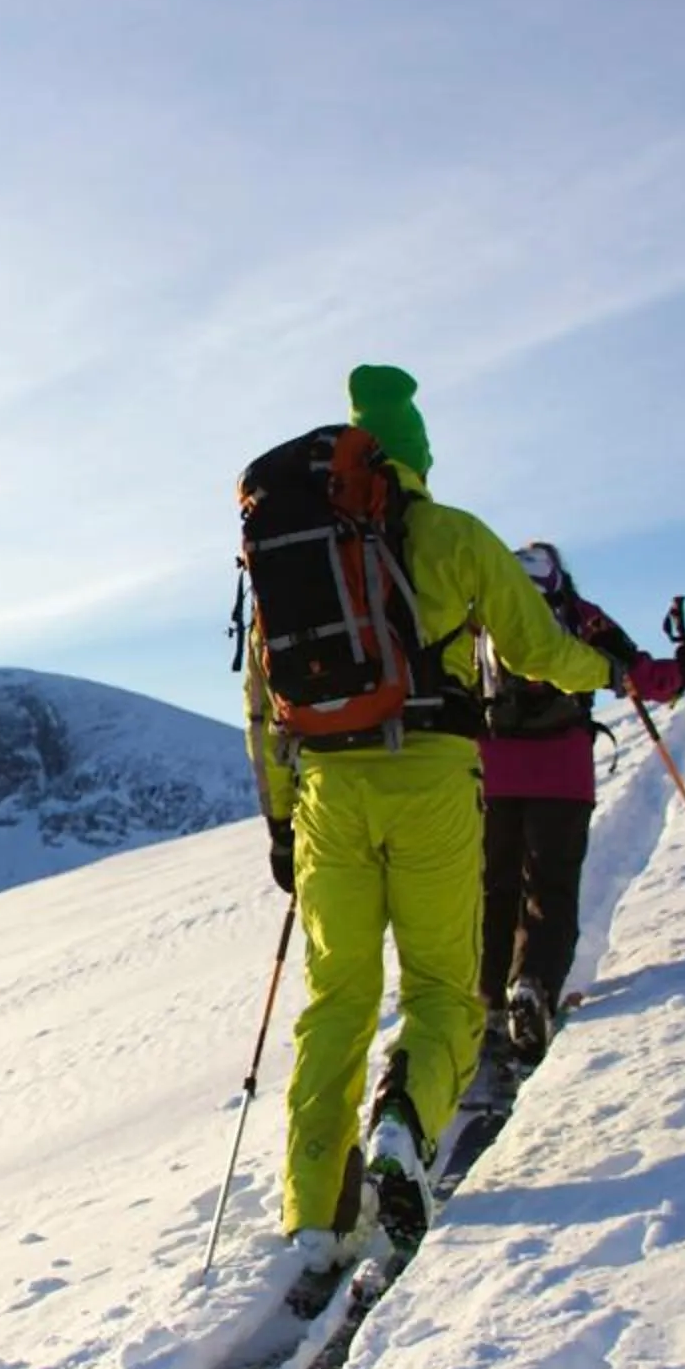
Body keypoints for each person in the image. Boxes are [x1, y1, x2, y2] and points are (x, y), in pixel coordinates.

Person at [245, 366, 620, 1266]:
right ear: (413, 455)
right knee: (444, 989)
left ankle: (313, 1212)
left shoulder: (297, 550)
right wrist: (602, 672)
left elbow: (264, 702)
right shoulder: (453, 534)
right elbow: (535, 649)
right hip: (435, 781)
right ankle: (405, 1127)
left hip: (328, 794)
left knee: (336, 1000)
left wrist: (283, 824)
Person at [474, 539, 685, 1087]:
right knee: (549, 888)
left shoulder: (486, 614)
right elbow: (638, 675)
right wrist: (683, 669)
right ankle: (534, 986)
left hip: (493, 771)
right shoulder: (580, 615)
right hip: (563, 773)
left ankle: (485, 1004)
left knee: (494, 888)